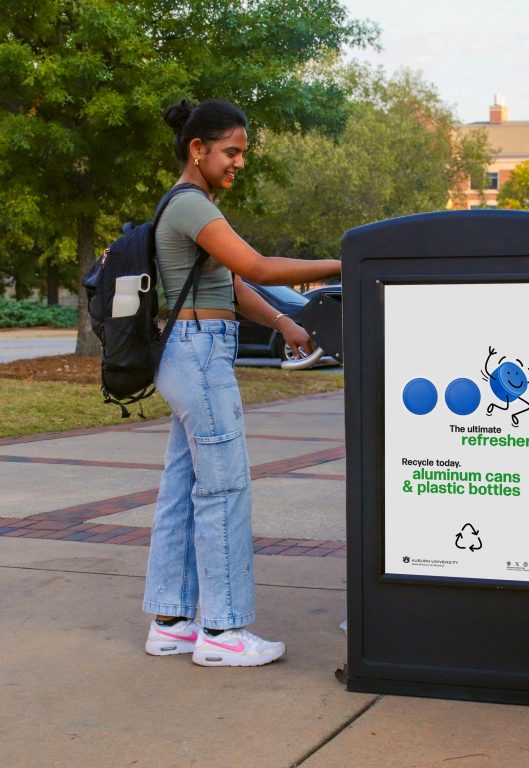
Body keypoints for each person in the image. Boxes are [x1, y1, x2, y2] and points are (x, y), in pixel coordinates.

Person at [142, 99, 341, 667]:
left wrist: (283, 323)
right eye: (231, 152)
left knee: (183, 489)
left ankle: (172, 621)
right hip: (199, 358)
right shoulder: (190, 207)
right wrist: (342, 261)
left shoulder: (189, 207)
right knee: (224, 490)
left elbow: (230, 287)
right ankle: (223, 631)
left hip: (191, 354)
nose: (239, 163)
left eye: (243, 154)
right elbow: (257, 267)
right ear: (197, 149)